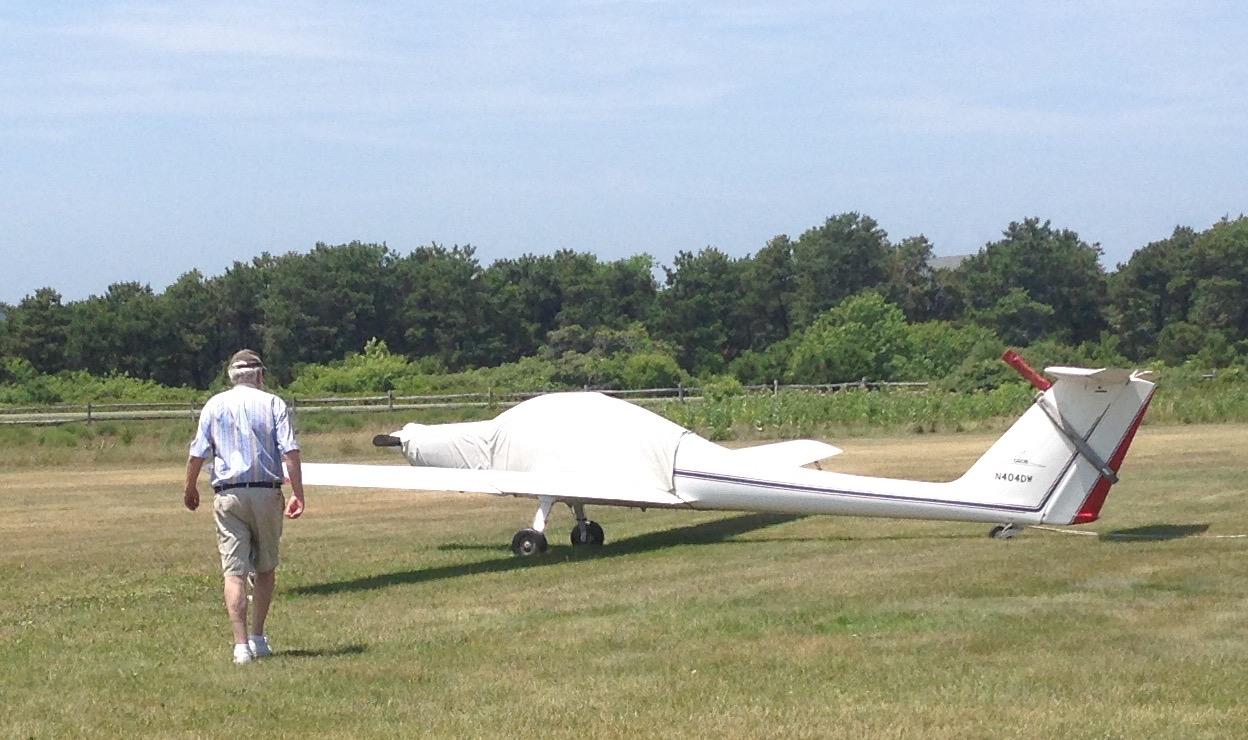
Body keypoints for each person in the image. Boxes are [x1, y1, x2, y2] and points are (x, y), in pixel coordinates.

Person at [183, 349, 305, 664]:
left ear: (231, 376)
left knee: (234, 571)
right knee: (265, 567)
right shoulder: (274, 403)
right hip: (266, 492)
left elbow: (198, 452)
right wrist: (298, 493)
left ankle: (240, 647)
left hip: (228, 493)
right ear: (260, 376)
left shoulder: (214, 404)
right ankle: (258, 637)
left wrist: (190, 487)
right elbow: (289, 450)